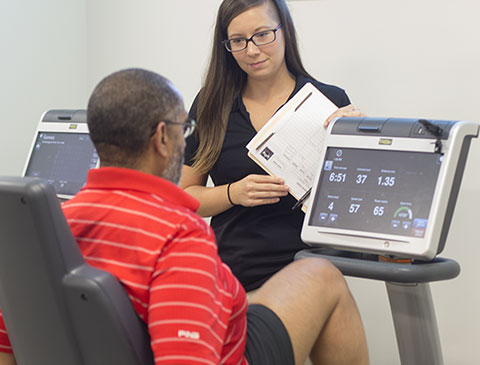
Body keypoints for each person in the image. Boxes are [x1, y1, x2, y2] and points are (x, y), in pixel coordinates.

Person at [0, 68, 368, 364]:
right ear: (162, 138)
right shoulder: (179, 236)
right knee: (324, 275)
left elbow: (10, 346)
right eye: (183, 128)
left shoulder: (51, 226)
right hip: (231, 353)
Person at [180, 0, 365, 292]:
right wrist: (234, 193)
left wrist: (355, 140)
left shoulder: (327, 102)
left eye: (263, 34)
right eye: (238, 41)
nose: (252, 50)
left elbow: (353, 200)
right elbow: (185, 197)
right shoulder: (210, 105)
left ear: (284, 30)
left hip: (311, 268)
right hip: (234, 272)